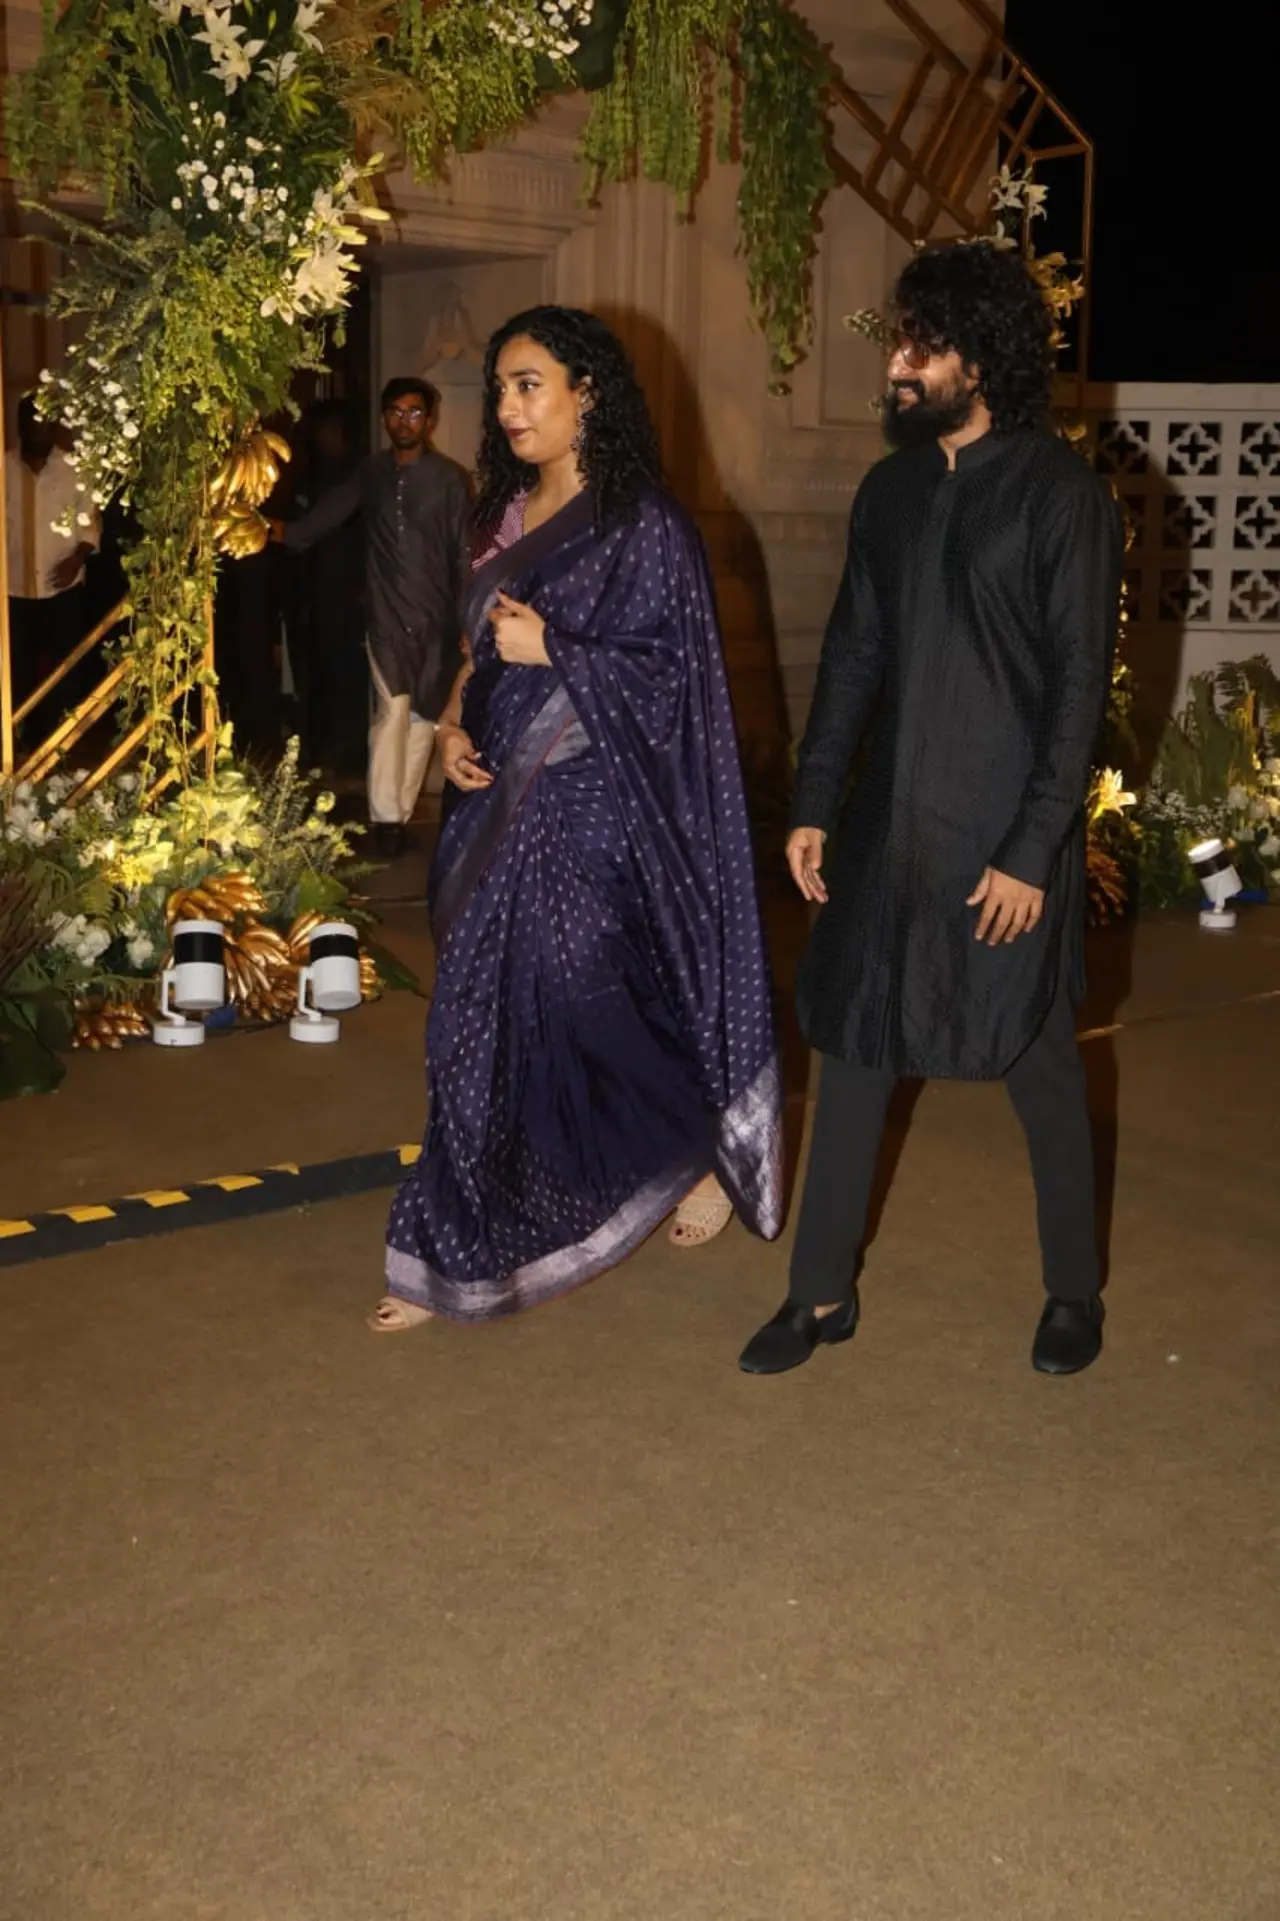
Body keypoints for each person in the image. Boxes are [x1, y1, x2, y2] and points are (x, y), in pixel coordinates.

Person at [738, 240, 1123, 1381]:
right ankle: (816, 1296)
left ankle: (1072, 1291)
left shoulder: (1059, 498)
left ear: (982, 356)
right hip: (886, 836)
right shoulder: (891, 490)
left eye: (922, 345)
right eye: (900, 341)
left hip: (999, 842)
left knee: (1036, 1059)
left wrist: (1028, 850)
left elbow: (1072, 698)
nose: (897, 365)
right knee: (853, 1041)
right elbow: (853, 654)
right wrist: (813, 801)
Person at [370, 306, 782, 1331]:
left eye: (528, 385)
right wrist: (456, 724)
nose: (508, 408)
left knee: (587, 998)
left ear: (585, 391)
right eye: (501, 389)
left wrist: (557, 652)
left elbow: (673, 680)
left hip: (596, 809)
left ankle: (693, 1136)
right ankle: (449, 1246)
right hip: (490, 800)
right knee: (466, 1018)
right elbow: (478, 647)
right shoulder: (502, 512)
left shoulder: (644, 524)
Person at [274, 378, 469, 858]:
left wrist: (468, 620)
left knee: (423, 720)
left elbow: (465, 553)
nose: (405, 422)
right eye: (396, 413)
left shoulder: (450, 479)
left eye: (414, 413)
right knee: (391, 715)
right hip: (385, 616)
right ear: (384, 418)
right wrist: (277, 531)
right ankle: (383, 818)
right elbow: (325, 518)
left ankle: (398, 817)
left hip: (437, 619)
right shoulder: (372, 474)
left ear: (430, 420)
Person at [4, 395, 99, 743]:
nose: (41, 429)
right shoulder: (4, 469)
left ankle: (60, 743)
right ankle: (17, 742)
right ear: (22, 425)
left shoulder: (74, 469)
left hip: (63, 587)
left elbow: (90, 525)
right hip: (13, 590)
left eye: (47, 422)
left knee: (63, 670)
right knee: (17, 670)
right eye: (34, 422)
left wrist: (78, 558)